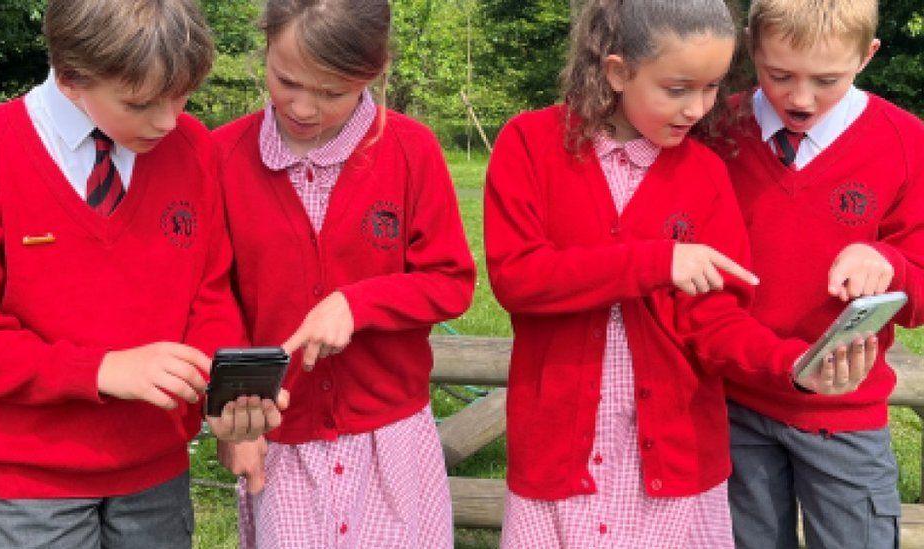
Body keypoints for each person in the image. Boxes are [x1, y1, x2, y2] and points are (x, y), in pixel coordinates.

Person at [484, 0, 877, 546]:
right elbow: (518, 279)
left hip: (674, 458)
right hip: (560, 455)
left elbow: (714, 321)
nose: (697, 109)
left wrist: (792, 364)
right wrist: (656, 260)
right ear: (618, 71)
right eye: (677, 89)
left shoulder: (705, 174)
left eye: (712, 87)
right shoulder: (530, 144)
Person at [0, 1, 284, 547]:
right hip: (34, 480)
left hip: (156, 471)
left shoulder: (191, 148)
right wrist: (99, 370)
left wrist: (231, 399)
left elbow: (210, 295)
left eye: (182, 97)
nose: (168, 121)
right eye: (141, 103)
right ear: (73, 75)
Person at [212, 1, 475, 547]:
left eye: (332, 93)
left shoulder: (411, 150)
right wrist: (234, 415)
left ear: (373, 73)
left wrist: (358, 304)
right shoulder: (222, 157)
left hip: (391, 437)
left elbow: (451, 280)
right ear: (265, 48)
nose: (303, 107)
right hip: (282, 436)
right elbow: (212, 297)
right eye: (286, 81)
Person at [718, 1, 924, 546]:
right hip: (731, 403)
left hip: (844, 412)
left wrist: (890, 263)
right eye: (778, 74)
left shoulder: (905, 142)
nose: (800, 98)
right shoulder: (716, 129)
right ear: (751, 47)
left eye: (826, 79)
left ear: (867, 55)